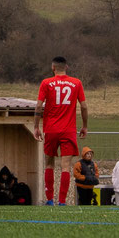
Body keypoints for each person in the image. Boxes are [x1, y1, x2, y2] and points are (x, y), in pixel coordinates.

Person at [37, 56, 88, 206]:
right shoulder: (76, 83)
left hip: (51, 129)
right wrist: (84, 126)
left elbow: (39, 106)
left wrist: (35, 127)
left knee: (49, 164)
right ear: (67, 67)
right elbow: (84, 106)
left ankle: (50, 200)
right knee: (65, 166)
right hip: (68, 130)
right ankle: (62, 201)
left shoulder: (46, 83)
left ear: (53, 68)